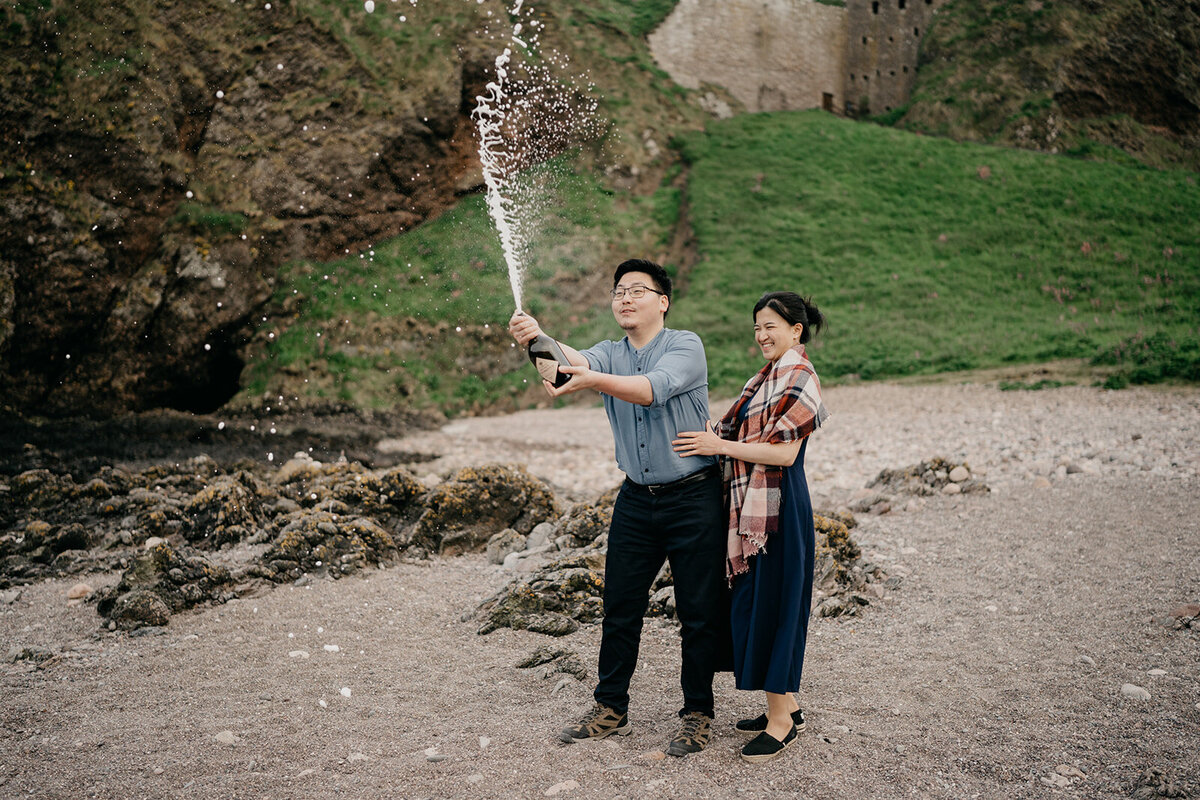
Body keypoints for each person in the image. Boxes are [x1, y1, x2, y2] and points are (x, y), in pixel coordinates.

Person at [507, 258, 728, 757]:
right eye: (618, 292)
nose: (624, 298)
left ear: (662, 301)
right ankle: (611, 708)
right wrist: (535, 339)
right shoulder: (607, 352)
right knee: (620, 607)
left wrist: (587, 378)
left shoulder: (685, 346)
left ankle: (697, 714)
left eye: (637, 291)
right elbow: (560, 374)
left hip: (694, 497)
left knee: (697, 612)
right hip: (634, 499)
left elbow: (650, 390)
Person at [672, 291, 829, 764]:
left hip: (779, 508)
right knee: (758, 602)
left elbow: (784, 454)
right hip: (757, 508)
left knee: (776, 605)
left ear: (795, 331)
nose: (761, 335)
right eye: (757, 327)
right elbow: (733, 430)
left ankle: (781, 724)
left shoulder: (800, 377)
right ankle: (787, 709)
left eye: (771, 326)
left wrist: (718, 448)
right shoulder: (764, 378)